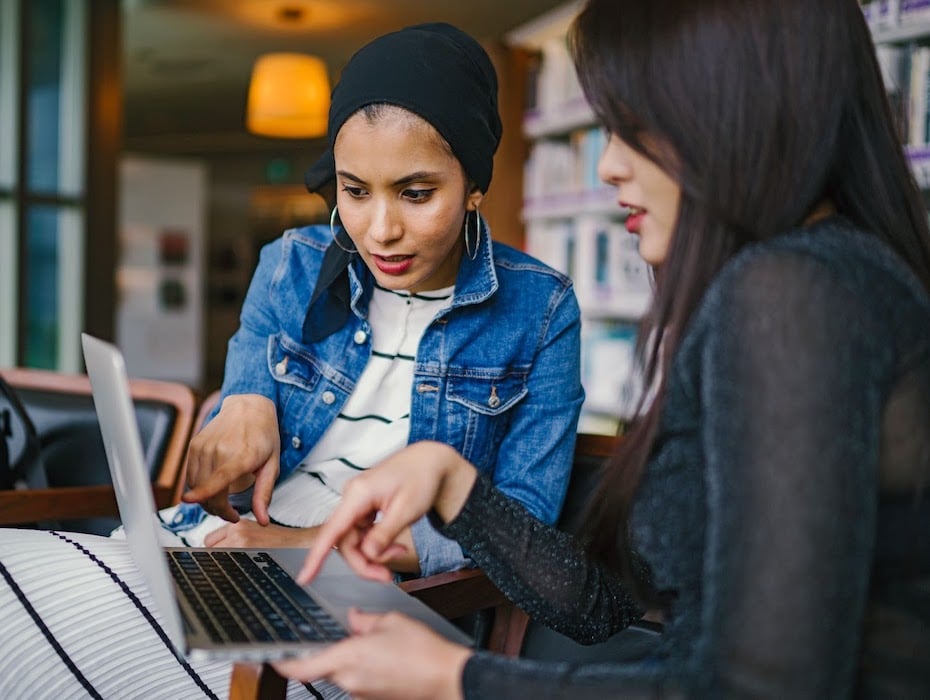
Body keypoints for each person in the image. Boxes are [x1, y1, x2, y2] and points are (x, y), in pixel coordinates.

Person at [273, 0, 930, 697]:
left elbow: (761, 688)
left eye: (632, 127)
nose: (610, 165)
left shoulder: (793, 295)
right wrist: (453, 483)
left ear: (734, 108)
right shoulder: (817, 279)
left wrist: (453, 678)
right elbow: (602, 609)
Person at [0, 22, 583, 700]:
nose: (379, 228)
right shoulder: (292, 263)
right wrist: (239, 399)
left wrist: (305, 541)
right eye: (354, 190)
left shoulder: (541, 310)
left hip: (367, 595)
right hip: (215, 546)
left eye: (416, 193)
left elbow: (522, 527)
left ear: (475, 186)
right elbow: (241, 394)